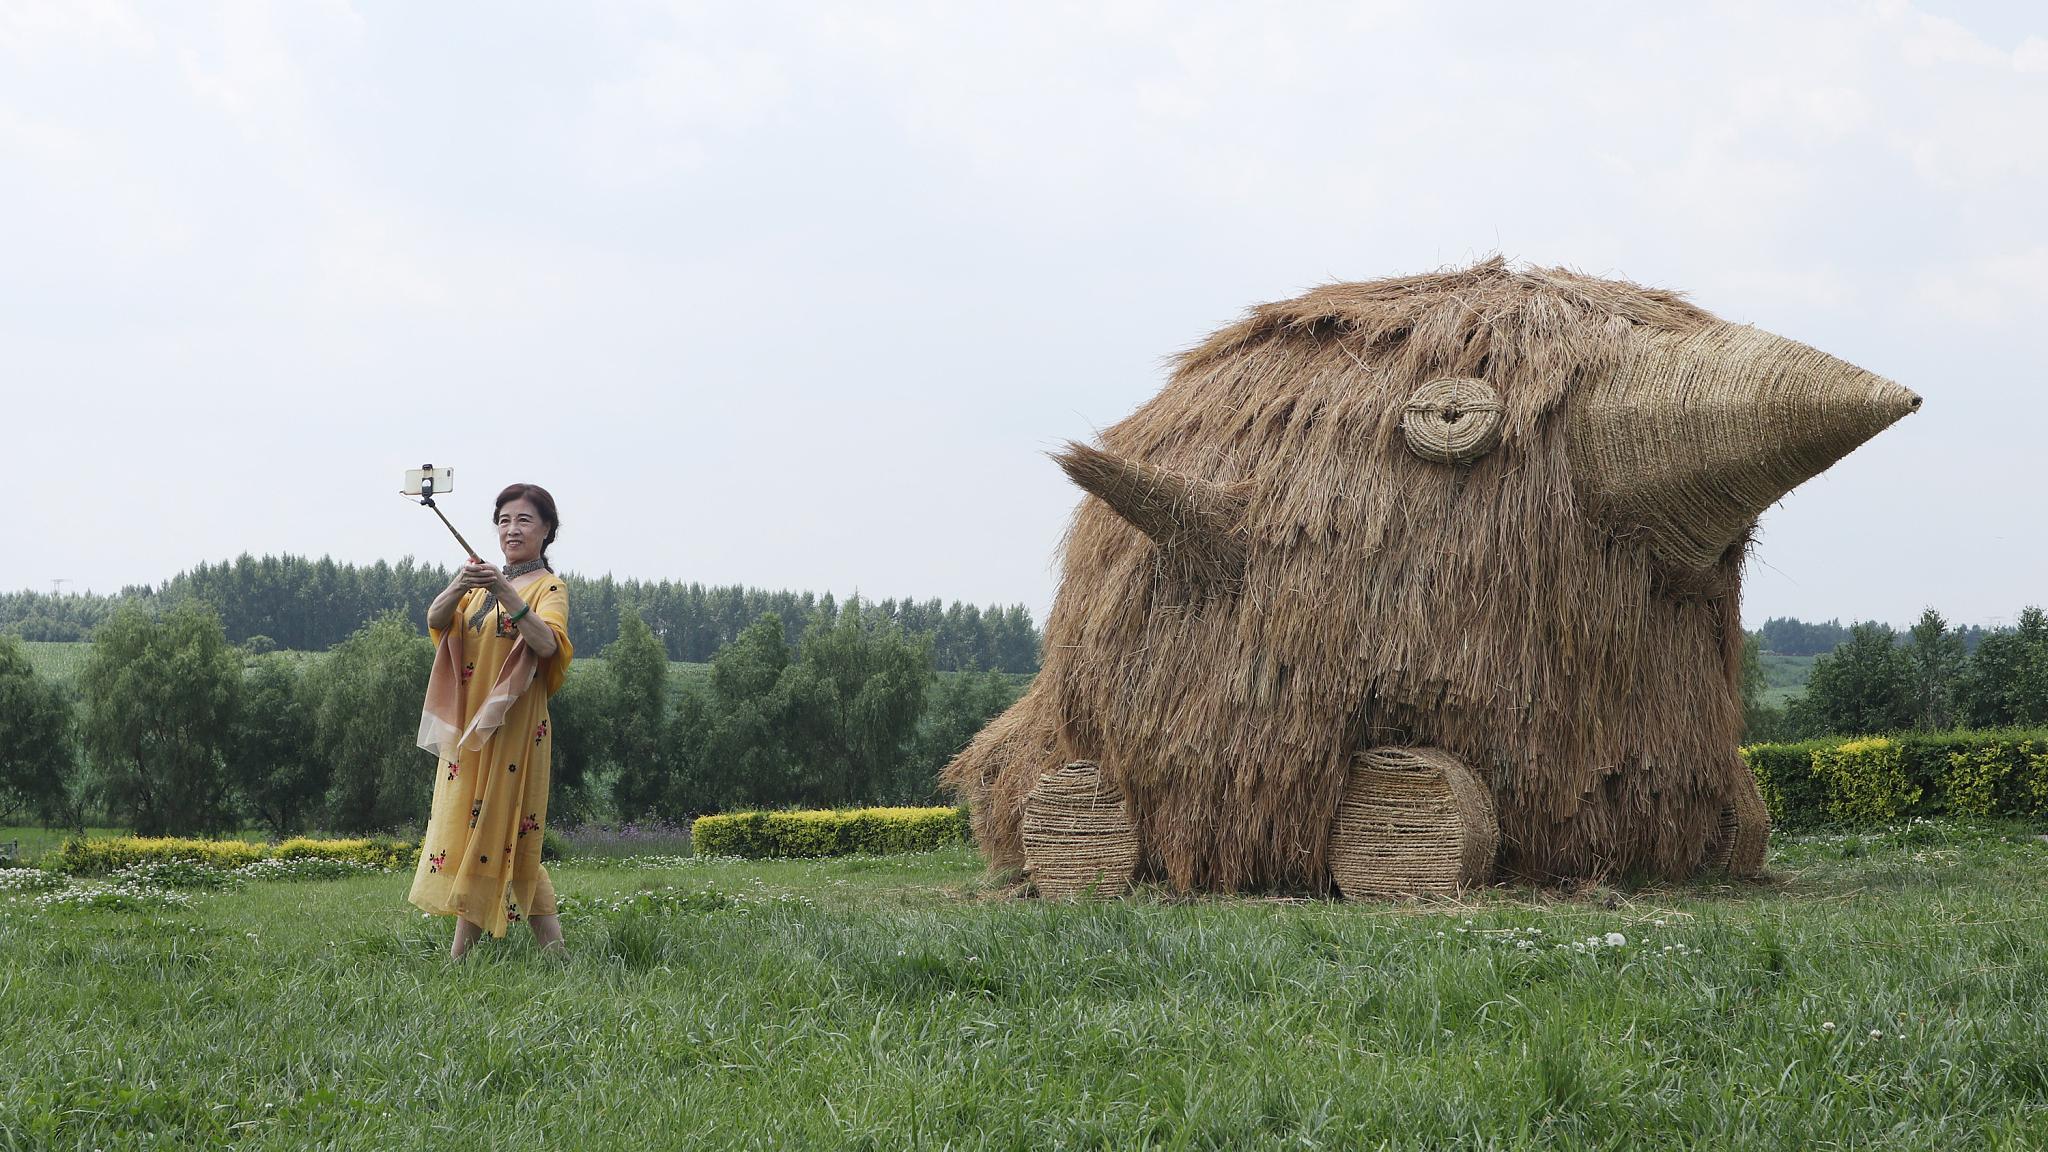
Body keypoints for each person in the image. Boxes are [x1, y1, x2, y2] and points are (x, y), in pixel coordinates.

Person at [408, 483, 573, 959]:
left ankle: (460, 958)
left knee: (495, 829)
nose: (511, 529)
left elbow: (547, 645)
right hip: (470, 728)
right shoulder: (477, 590)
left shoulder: (550, 588)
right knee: (491, 833)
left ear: (546, 530)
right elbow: (438, 619)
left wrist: (506, 592)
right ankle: (555, 954)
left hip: (515, 728)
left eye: (523, 520)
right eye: (503, 520)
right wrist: (460, 585)